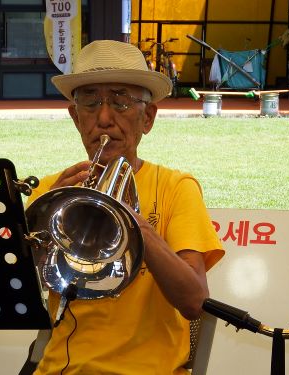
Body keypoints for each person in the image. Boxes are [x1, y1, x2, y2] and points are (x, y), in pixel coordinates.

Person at [26, 39, 224, 375]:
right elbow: (24, 291)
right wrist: (41, 232)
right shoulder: (51, 193)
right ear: (75, 117)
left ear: (147, 118)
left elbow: (194, 302)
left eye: (120, 102)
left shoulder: (176, 188)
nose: (103, 118)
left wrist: (135, 226)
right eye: (90, 102)